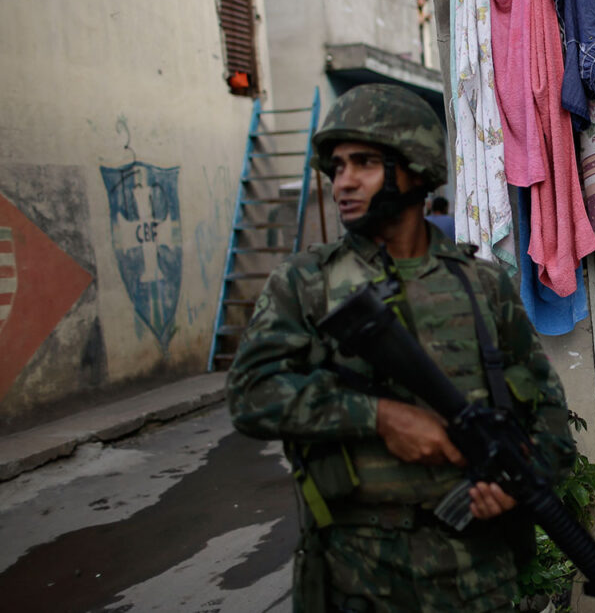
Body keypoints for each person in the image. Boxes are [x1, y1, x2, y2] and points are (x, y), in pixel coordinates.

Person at [226, 83, 576, 612]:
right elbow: (251, 394)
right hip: (354, 574)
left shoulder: (481, 285)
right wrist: (377, 416)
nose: (343, 181)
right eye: (338, 166)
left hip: (475, 576)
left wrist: (519, 484)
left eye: (363, 163)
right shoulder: (305, 284)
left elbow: (549, 411)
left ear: (414, 166)